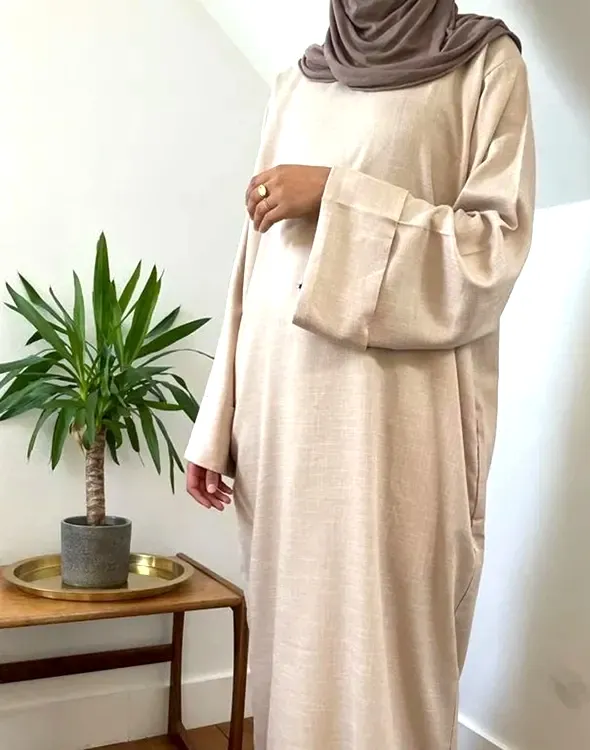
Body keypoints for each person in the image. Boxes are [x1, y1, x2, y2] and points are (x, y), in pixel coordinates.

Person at [184, 1, 535, 748]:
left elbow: (492, 249)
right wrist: (218, 422)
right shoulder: (297, 82)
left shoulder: (482, 65)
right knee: (292, 638)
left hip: (397, 422)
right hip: (281, 414)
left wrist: (335, 194)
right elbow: (254, 258)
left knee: (390, 648)